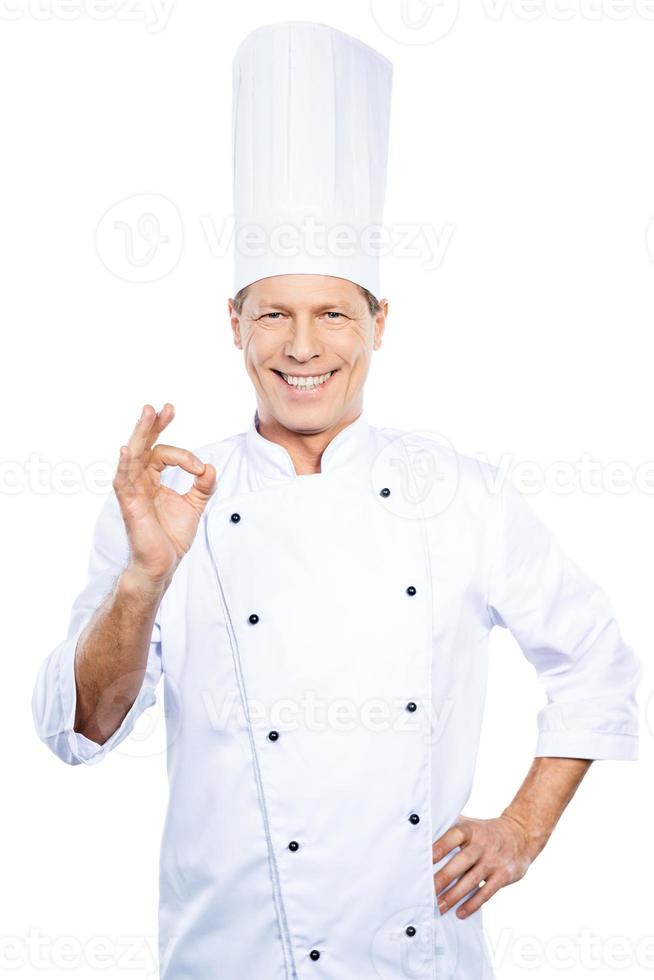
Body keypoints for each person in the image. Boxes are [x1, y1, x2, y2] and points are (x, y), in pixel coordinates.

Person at [31, 21, 641, 980]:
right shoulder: (165, 500)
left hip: (419, 961)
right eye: (273, 311)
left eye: (333, 314)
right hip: (224, 959)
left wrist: (524, 828)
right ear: (234, 323)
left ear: (379, 323)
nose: (302, 346)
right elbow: (81, 732)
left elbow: (597, 661)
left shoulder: (461, 496)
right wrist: (149, 575)